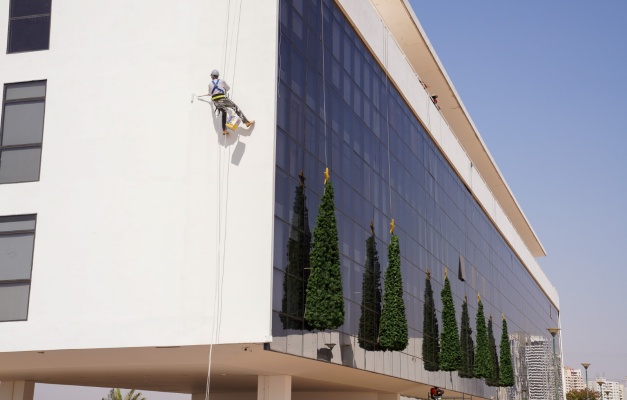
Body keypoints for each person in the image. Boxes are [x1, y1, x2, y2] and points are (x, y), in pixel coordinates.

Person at [208, 69, 254, 134]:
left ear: (212, 76)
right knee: (235, 107)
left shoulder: (210, 84)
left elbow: (210, 94)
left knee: (224, 113)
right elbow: (228, 88)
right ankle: (246, 122)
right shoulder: (222, 81)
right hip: (222, 99)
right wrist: (222, 88)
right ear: (217, 76)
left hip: (216, 102)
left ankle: (224, 130)